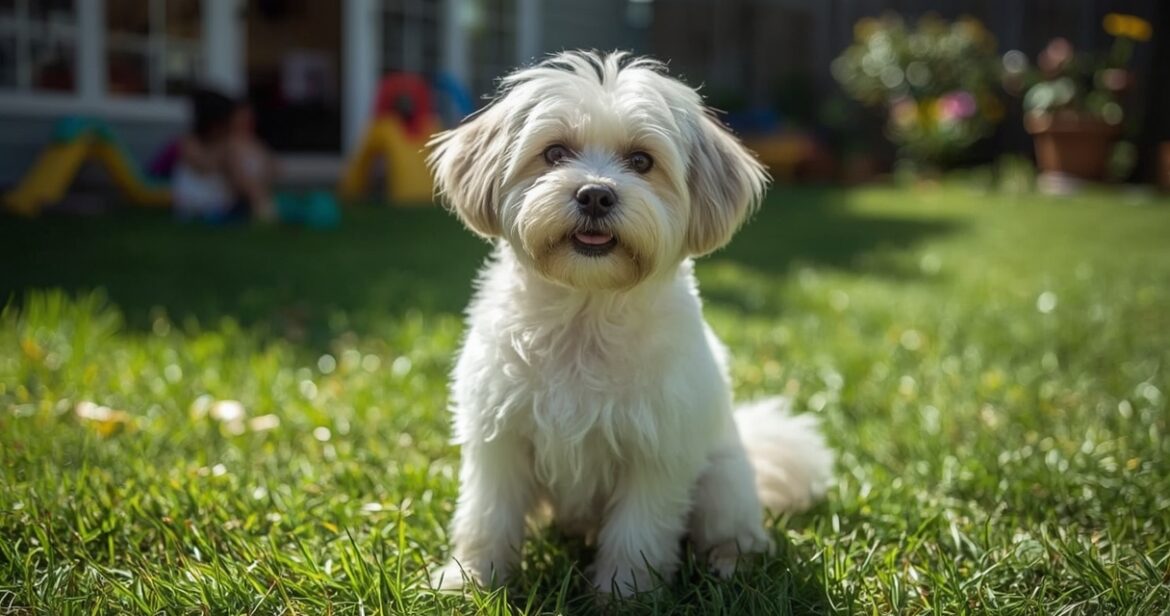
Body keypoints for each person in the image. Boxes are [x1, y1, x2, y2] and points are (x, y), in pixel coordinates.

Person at [172, 89, 276, 222]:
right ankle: (261, 205)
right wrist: (226, 158)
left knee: (245, 176)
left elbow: (269, 167)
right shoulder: (190, 143)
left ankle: (259, 202)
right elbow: (203, 165)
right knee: (243, 177)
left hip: (222, 199)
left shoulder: (232, 143)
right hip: (197, 201)